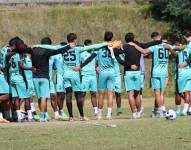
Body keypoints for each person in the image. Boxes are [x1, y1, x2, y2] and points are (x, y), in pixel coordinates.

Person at [36, 33, 111, 121]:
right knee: (78, 95)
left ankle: (71, 117)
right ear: (75, 40)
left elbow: (52, 47)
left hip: (66, 75)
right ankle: (82, 116)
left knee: (68, 95)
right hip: (75, 74)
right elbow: (91, 47)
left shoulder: (63, 48)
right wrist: (104, 44)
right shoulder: (78, 49)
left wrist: (38, 45)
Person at [11, 37, 72, 122]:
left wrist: (13, 48)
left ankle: (43, 115)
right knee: (44, 98)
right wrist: (69, 46)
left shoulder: (32, 50)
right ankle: (43, 116)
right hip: (44, 78)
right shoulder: (47, 51)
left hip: (35, 78)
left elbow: (20, 50)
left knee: (39, 98)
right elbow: (58, 51)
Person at [114, 32, 163, 118]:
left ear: (126, 40)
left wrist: (113, 46)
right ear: (133, 39)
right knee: (137, 93)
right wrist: (160, 41)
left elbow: (115, 53)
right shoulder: (138, 45)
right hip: (138, 72)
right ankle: (139, 112)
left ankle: (134, 114)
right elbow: (149, 44)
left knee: (130, 94)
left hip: (128, 72)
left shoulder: (125, 46)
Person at [80, 39, 98, 116]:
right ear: (85, 46)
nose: (91, 47)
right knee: (83, 94)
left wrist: (97, 69)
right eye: (89, 46)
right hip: (85, 76)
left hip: (93, 76)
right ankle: (81, 111)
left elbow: (97, 64)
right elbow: (79, 65)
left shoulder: (94, 54)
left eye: (91, 45)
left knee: (93, 93)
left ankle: (96, 111)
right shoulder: (82, 54)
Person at [176, 30, 191, 115]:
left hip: (183, 71)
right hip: (189, 70)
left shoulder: (188, 45)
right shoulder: (187, 46)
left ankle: (184, 110)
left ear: (184, 36)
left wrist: (185, 63)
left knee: (180, 91)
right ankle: (186, 110)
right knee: (188, 91)